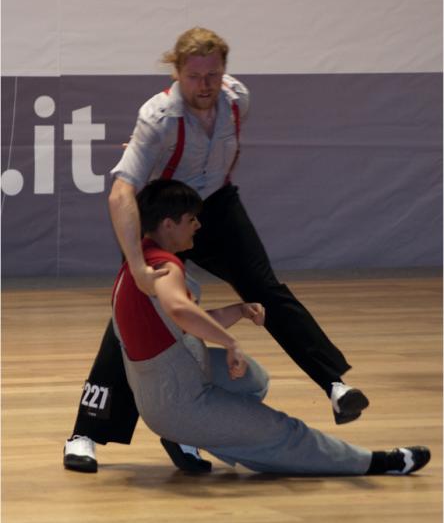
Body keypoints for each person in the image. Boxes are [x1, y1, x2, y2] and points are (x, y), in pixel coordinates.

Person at [64, 27, 370, 474]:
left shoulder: (237, 99)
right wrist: (138, 266)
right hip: (168, 215)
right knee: (130, 319)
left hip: (216, 205)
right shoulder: (158, 117)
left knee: (265, 289)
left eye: (213, 74)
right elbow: (120, 194)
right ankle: (85, 433)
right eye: (194, 76)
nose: (204, 85)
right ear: (177, 73)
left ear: (224, 71)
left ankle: (334, 386)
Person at [111, 179, 430, 476]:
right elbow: (179, 310)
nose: (199, 226)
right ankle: (378, 463)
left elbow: (181, 320)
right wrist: (230, 343)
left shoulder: (138, 264)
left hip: (161, 386)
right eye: (191, 219)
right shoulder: (165, 267)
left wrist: (238, 310)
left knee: (252, 378)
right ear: (168, 224)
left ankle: (200, 433)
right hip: (178, 400)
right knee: (282, 432)